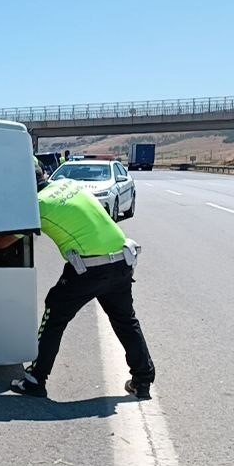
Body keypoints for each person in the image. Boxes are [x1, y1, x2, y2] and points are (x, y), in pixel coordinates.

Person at [10, 164, 155, 399]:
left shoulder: (37, 205)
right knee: (125, 321)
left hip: (90, 268)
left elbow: (2, 242)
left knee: (54, 315)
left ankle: (36, 379)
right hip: (122, 259)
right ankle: (143, 380)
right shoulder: (68, 183)